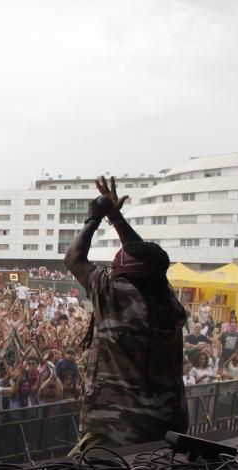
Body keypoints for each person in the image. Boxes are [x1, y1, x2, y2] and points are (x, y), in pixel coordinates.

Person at [64, 176, 188, 452]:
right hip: (168, 428)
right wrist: (116, 218)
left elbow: (74, 258)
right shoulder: (168, 302)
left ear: (122, 276)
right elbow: (148, 262)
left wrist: (94, 218)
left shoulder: (116, 294)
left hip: (117, 431)